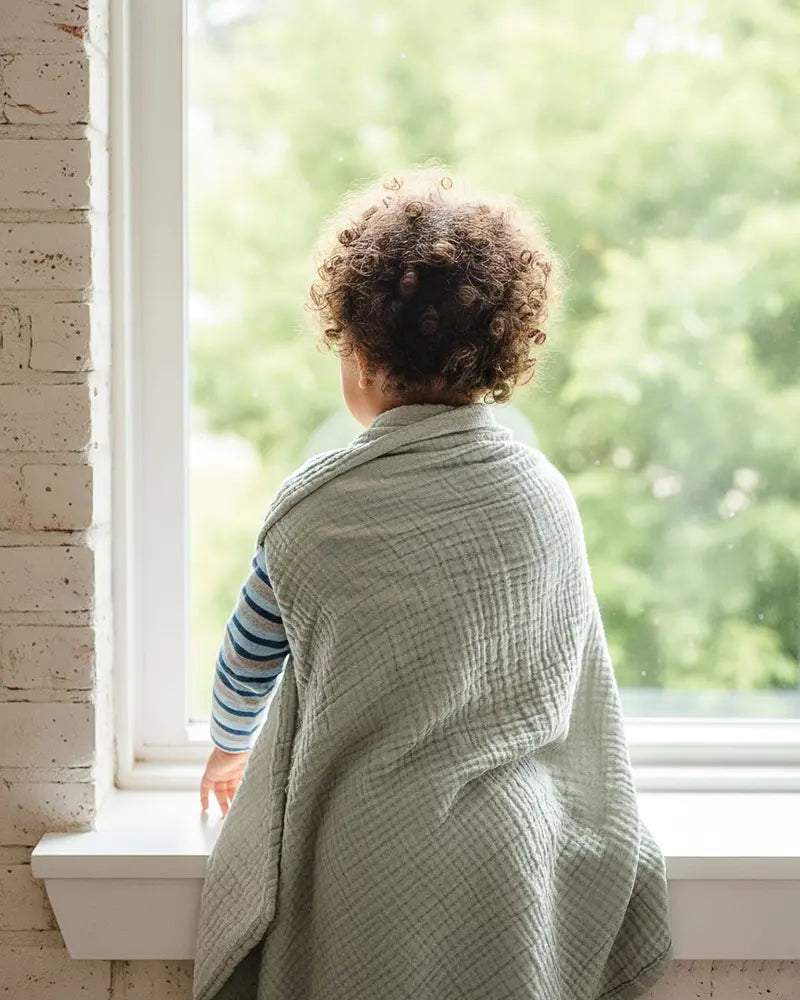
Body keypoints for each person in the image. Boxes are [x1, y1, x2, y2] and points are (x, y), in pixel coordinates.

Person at [194, 167, 672, 1000]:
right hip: (513, 850)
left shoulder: (313, 509)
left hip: (364, 846)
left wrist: (231, 745)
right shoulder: (542, 496)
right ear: (498, 354)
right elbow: (561, 669)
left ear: (362, 357)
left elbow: (249, 654)